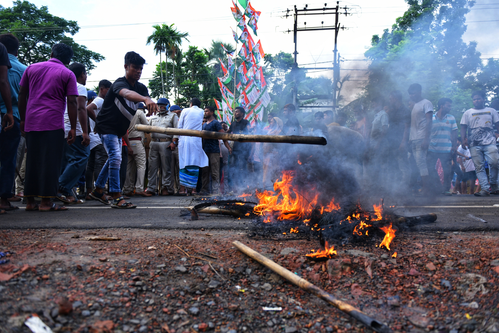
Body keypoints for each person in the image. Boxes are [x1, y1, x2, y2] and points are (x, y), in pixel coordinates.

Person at [90, 51, 158, 208]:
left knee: (114, 158)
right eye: (135, 68)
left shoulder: (141, 88)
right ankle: (115, 195)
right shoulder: (119, 84)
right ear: (126, 67)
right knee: (115, 157)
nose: (139, 71)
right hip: (107, 127)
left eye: (141, 69)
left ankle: (99, 190)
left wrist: (148, 102)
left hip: (119, 129)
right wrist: (145, 99)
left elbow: (141, 97)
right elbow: (126, 94)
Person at [18, 43, 78, 212]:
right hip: (52, 122)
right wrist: (73, 128)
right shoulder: (67, 73)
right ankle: (46, 203)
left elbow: (22, 94)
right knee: (51, 163)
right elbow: (72, 101)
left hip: (32, 121)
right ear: (68, 60)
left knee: (32, 161)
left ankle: (30, 202)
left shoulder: (31, 68)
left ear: (51, 53)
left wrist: (23, 119)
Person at [57, 62, 90, 204]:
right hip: (74, 128)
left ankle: (68, 194)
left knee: (66, 162)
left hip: (60, 126)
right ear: (82, 74)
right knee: (81, 157)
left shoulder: (61, 86)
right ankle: (60, 186)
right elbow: (81, 108)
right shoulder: (80, 87)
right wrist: (85, 131)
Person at [0, 34, 24, 212]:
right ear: (17, 50)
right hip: (12, 116)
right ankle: (3, 199)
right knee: (8, 159)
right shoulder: (24, 70)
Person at [460, 90, 499, 196]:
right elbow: (463, 127)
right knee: (479, 166)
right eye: (474, 99)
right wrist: (463, 139)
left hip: (490, 142)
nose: (476, 101)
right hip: (474, 144)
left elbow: (497, 124)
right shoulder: (467, 112)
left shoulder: (491, 111)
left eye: (478, 98)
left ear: (483, 99)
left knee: (495, 162)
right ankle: (485, 189)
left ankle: (494, 185)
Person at [146, 98, 178, 196]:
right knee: (152, 166)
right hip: (154, 142)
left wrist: (174, 142)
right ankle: (151, 188)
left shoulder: (173, 116)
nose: (161, 107)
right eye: (159, 105)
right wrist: (147, 116)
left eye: (163, 105)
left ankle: (165, 187)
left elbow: (177, 130)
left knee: (166, 167)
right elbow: (147, 130)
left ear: (167, 105)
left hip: (166, 143)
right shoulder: (153, 117)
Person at [85, 80, 111, 199]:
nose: (109, 92)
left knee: (91, 165)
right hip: (98, 139)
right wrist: (99, 123)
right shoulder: (100, 100)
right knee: (99, 164)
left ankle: (90, 191)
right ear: (102, 89)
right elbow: (88, 109)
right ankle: (99, 191)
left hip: (92, 139)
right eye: (108, 90)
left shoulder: (97, 100)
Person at [427, 98, 457, 195]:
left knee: (447, 171)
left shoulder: (451, 118)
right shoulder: (431, 118)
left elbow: (454, 133)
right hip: (432, 148)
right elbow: (426, 133)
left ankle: (446, 189)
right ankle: (438, 187)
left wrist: (454, 146)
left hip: (446, 149)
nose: (450, 107)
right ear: (442, 106)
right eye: (448, 105)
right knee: (430, 168)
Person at [177, 98, 208, 195]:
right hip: (196, 140)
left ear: (191, 104)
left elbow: (179, 126)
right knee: (195, 163)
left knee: (183, 163)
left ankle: (182, 189)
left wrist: (179, 138)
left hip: (184, 139)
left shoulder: (185, 110)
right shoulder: (201, 112)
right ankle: (193, 190)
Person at [408, 83, 433, 195]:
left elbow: (429, 121)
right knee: (417, 164)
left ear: (419, 91)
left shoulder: (426, 103)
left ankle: (427, 189)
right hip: (414, 138)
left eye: (413, 93)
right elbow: (413, 123)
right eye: (410, 94)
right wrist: (410, 138)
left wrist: (426, 139)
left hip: (422, 137)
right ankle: (422, 187)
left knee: (421, 162)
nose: (411, 95)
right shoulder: (414, 105)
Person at [200, 106, 231, 195]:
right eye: (204, 111)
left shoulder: (216, 123)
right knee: (205, 171)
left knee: (215, 172)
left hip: (214, 151)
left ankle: (215, 191)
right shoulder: (204, 124)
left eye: (207, 111)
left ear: (212, 112)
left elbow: (222, 136)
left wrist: (228, 147)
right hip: (205, 151)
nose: (205, 113)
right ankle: (204, 190)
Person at [123, 102, 150, 197]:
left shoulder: (126, 112)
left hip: (127, 141)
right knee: (141, 165)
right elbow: (147, 128)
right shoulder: (139, 112)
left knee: (129, 167)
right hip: (137, 141)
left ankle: (127, 188)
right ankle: (139, 188)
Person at [385, 90, 411, 191]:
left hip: (400, 142)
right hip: (391, 142)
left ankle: (404, 188)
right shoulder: (393, 110)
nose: (389, 100)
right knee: (392, 165)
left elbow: (406, 127)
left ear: (396, 98)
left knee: (403, 166)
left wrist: (403, 142)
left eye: (391, 98)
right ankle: (394, 188)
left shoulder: (405, 110)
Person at [228, 106, 251, 192]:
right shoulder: (233, 123)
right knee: (233, 169)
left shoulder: (246, 122)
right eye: (235, 112)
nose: (235, 113)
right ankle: (234, 188)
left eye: (237, 112)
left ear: (242, 113)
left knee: (242, 169)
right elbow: (227, 133)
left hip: (244, 151)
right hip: (234, 150)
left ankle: (244, 188)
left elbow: (250, 133)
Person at [262, 116, 284, 188]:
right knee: (266, 171)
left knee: (274, 171)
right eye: (270, 121)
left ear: (277, 123)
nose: (270, 123)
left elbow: (279, 145)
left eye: (272, 122)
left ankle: (274, 187)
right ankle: (265, 186)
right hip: (267, 154)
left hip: (274, 155)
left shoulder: (280, 132)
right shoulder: (270, 131)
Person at [169, 104, 182, 194]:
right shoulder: (169, 118)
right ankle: (173, 189)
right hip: (169, 146)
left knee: (179, 169)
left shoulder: (182, 120)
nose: (179, 112)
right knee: (170, 169)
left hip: (179, 147)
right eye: (177, 111)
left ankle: (180, 188)